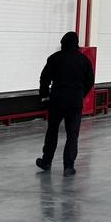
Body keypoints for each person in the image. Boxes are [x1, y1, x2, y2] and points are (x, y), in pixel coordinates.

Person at [36, 32, 95, 177]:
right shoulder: (84, 60)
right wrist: (80, 94)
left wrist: (44, 97)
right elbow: (90, 81)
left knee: (52, 130)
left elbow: (44, 79)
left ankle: (46, 161)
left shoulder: (55, 58)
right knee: (72, 134)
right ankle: (68, 166)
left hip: (57, 101)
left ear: (63, 43)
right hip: (75, 103)